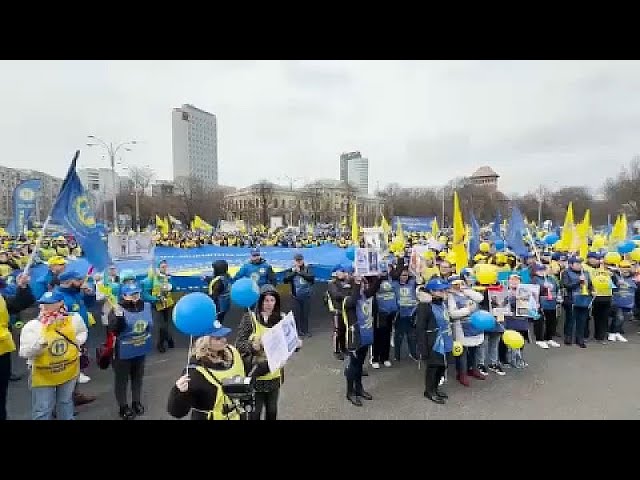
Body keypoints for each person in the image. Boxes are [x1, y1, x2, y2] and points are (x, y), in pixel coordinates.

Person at [19, 291, 88, 420]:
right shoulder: (33, 326)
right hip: (44, 375)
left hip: (68, 370)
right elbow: (24, 352)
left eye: (50, 304)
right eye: (43, 304)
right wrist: (39, 345)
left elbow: (82, 332)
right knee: (43, 409)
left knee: (66, 403)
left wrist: (76, 343)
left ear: (61, 303)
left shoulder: (73, 319)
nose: (46, 307)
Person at [168, 326, 247, 420]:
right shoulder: (195, 372)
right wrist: (179, 392)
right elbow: (177, 412)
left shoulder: (232, 352)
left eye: (224, 335)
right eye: (218, 338)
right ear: (205, 342)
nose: (224, 340)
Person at [235, 285, 286, 420]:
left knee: (272, 411)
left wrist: (296, 344)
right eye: (266, 300)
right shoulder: (249, 318)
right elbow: (239, 344)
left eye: (272, 300)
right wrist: (252, 346)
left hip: (274, 375)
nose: (269, 304)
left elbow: (287, 343)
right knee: (254, 413)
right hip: (255, 375)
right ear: (260, 301)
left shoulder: (281, 318)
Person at [108, 283, 153, 420]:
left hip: (140, 348)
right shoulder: (116, 309)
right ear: (123, 295)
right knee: (122, 380)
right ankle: (123, 406)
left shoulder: (146, 306)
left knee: (137, 377)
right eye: (131, 294)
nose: (135, 297)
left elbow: (149, 326)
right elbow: (114, 331)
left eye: (137, 293)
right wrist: (119, 317)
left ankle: (136, 402)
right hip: (123, 351)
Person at [342, 274, 381, 407]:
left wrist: (379, 277)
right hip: (355, 339)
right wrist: (357, 283)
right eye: (361, 284)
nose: (364, 286)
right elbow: (353, 301)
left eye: (364, 284)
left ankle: (359, 388)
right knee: (353, 367)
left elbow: (374, 289)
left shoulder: (364, 295)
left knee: (359, 366)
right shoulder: (348, 299)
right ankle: (350, 392)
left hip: (365, 337)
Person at [0, 273, 34, 420]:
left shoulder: (1, 297)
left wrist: (22, 286)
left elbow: (18, 304)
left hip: (2, 351)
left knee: (1, 396)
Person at [415, 277, 452, 404]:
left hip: (445, 339)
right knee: (433, 368)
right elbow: (420, 328)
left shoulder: (440, 302)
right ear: (431, 291)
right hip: (433, 342)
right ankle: (429, 391)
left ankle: (435, 388)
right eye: (440, 291)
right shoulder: (424, 306)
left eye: (444, 290)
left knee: (442, 367)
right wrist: (423, 348)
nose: (443, 293)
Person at [448, 275, 485, 385]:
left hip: (475, 325)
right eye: (455, 284)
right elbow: (452, 314)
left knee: (474, 349)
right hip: (461, 326)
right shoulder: (450, 296)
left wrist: (466, 290)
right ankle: (462, 373)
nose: (458, 286)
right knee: (462, 352)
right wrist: (468, 310)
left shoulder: (468, 292)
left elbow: (480, 298)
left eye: (459, 283)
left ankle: (472, 369)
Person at [142, 260, 175, 353]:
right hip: (157, 305)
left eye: (165, 267)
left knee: (167, 324)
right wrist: (155, 299)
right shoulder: (152, 279)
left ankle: (168, 339)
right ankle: (161, 344)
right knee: (161, 326)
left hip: (168, 304)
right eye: (162, 267)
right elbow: (145, 295)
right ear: (158, 268)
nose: (164, 269)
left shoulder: (168, 277)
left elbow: (174, 288)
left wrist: (171, 285)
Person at [561, 257, 592, 348]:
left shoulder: (585, 273)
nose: (579, 265)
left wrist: (592, 290)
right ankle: (568, 337)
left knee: (582, 320)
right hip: (572, 299)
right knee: (571, 319)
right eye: (577, 264)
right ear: (571, 264)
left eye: (580, 263)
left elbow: (590, 284)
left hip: (584, 298)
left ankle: (580, 338)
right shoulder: (566, 273)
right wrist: (579, 281)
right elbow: (566, 285)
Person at [283, 253, 315, 337]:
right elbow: (285, 279)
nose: (299, 262)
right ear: (294, 261)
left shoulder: (308, 268)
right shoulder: (291, 270)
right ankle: (298, 331)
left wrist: (300, 273)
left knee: (305, 314)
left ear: (303, 260)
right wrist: (294, 272)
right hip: (295, 296)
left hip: (306, 295)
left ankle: (306, 330)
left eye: (300, 260)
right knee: (297, 314)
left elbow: (311, 278)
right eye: (297, 260)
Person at [531, 263, 561, 348]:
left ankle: (549, 338)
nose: (542, 272)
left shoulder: (551, 278)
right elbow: (533, 289)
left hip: (551, 302)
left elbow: (556, 287)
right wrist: (543, 286)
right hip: (540, 302)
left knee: (551, 321)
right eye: (539, 270)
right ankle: (539, 339)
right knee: (539, 321)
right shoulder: (535, 279)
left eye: (543, 270)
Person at [326, 265, 353, 360]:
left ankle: (343, 348)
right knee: (337, 330)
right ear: (336, 273)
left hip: (345, 309)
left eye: (343, 271)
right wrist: (347, 295)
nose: (343, 273)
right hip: (336, 310)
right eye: (340, 271)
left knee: (344, 329)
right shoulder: (332, 283)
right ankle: (336, 351)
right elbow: (336, 295)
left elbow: (352, 291)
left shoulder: (347, 282)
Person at [372, 271, 398, 368]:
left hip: (390, 313)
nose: (383, 272)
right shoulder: (374, 280)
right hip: (380, 314)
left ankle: (385, 358)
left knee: (387, 335)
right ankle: (375, 358)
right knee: (378, 336)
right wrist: (377, 278)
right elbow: (371, 290)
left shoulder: (392, 279)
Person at [392, 268, 418, 361]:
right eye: (403, 275)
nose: (404, 277)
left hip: (411, 314)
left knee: (411, 335)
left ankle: (413, 353)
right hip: (399, 314)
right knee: (399, 335)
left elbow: (418, 277)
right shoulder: (394, 284)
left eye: (406, 275)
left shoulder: (411, 283)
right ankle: (397, 355)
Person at [610, 260, 635, 342]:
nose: (626, 269)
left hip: (628, 303)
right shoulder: (615, 276)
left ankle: (615, 332)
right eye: (623, 267)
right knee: (619, 317)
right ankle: (613, 333)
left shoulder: (633, 278)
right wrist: (617, 282)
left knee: (624, 318)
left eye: (627, 267)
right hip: (617, 302)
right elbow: (611, 285)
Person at [204, 260, 232, 325]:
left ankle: (216, 331)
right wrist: (208, 279)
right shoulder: (226, 276)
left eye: (214, 269)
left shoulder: (219, 282)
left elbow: (214, 295)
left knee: (216, 322)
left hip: (219, 306)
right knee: (220, 319)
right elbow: (216, 281)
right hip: (225, 305)